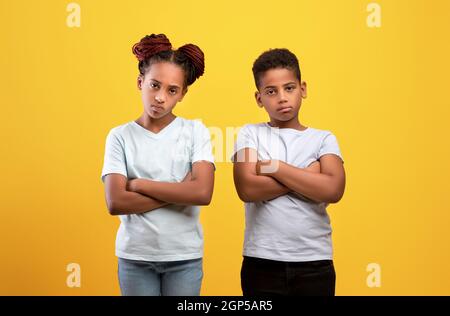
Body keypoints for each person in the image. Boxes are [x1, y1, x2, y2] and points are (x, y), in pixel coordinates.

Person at [101, 34, 215, 296]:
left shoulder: (195, 131)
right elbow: (116, 202)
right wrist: (179, 191)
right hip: (135, 258)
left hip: (184, 257)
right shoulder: (120, 136)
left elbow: (202, 193)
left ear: (182, 93)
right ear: (140, 82)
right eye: (154, 85)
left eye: (172, 90)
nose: (161, 97)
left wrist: (140, 185)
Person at [232, 48, 346, 296]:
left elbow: (333, 189)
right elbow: (247, 188)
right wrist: (309, 174)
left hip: (314, 262)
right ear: (259, 98)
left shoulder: (323, 139)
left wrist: (275, 167)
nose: (282, 98)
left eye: (289, 88)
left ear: (302, 89)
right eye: (271, 91)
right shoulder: (249, 134)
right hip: (261, 262)